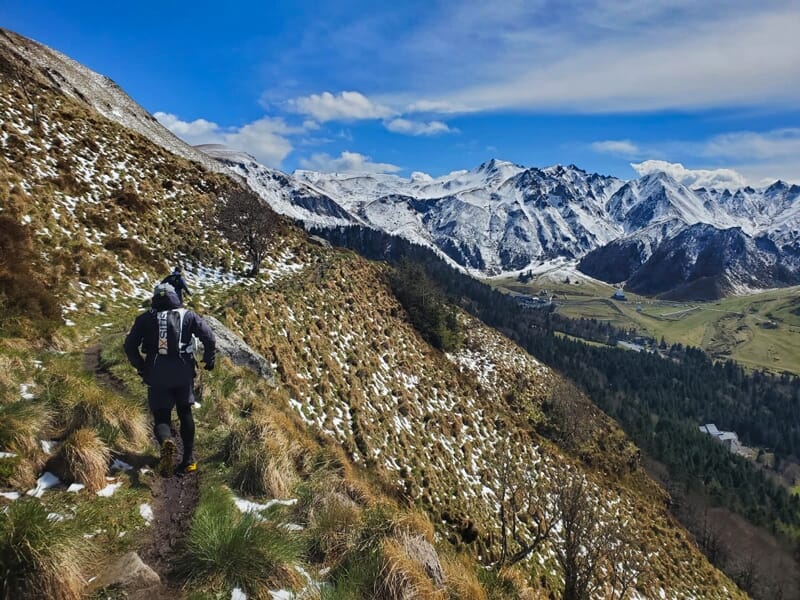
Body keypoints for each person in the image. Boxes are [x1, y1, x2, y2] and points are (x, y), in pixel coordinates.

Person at [124, 282, 216, 476]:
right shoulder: (188, 316)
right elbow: (209, 337)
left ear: (155, 298)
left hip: (157, 373)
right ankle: (189, 461)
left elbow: (129, 346)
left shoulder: (144, 319)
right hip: (183, 372)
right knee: (185, 412)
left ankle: (166, 441)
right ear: (175, 297)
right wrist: (209, 359)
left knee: (161, 415)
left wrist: (141, 367)